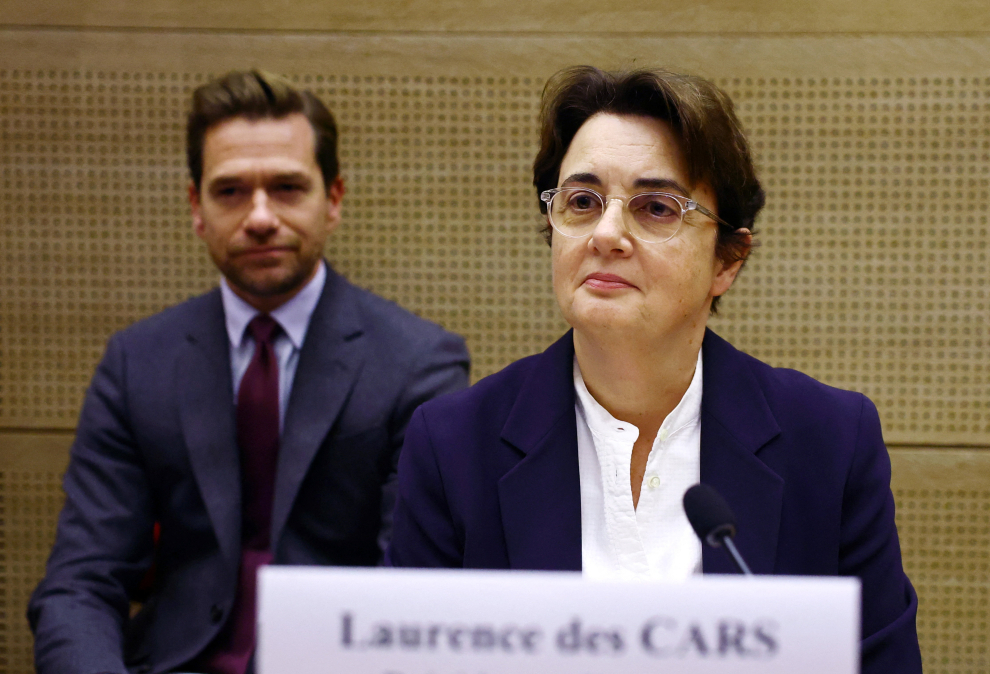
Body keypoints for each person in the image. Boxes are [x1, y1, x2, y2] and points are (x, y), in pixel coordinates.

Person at [386, 66, 920, 672]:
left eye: (657, 208)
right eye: (582, 202)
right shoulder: (454, 445)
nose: (606, 234)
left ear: (727, 260)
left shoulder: (829, 442)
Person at [27, 70, 470, 674]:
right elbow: (80, 583)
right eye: (231, 191)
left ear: (333, 199)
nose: (260, 217)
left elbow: (416, 592)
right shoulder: (137, 363)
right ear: (196, 207)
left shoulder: (418, 364)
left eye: (287, 188)